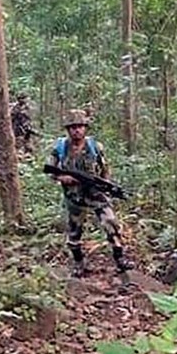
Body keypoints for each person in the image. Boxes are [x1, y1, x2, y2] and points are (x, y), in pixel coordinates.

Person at [47, 109, 134, 277]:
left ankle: (119, 258)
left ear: (85, 128)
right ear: (68, 129)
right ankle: (78, 262)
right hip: (74, 196)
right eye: (73, 127)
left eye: (80, 126)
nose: (77, 130)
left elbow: (105, 169)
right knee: (74, 231)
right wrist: (63, 178)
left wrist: (105, 186)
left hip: (96, 193)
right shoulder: (60, 148)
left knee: (111, 222)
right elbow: (51, 171)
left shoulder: (95, 147)